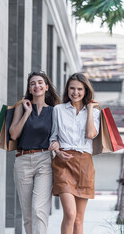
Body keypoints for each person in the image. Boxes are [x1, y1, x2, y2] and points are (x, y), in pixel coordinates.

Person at [49, 73, 101, 234]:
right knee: (70, 214)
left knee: (79, 220)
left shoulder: (95, 113)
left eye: (80, 89)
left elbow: (90, 134)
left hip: (84, 164)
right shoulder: (58, 109)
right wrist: (57, 150)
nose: (75, 92)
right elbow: (53, 137)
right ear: (67, 89)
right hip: (63, 163)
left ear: (86, 91)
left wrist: (91, 109)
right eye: (72, 88)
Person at [9, 71, 60, 234]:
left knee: (39, 210)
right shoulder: (21, 107)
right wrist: (27, 113)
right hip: (22, 161)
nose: (36, 85)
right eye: (32, 83)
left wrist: (56, 142)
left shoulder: (54, 111)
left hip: (44, 160)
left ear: (46, 87)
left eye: (39, 82)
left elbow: (57, 135)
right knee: (28, 214)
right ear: (30, 89)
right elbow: (14, 134)